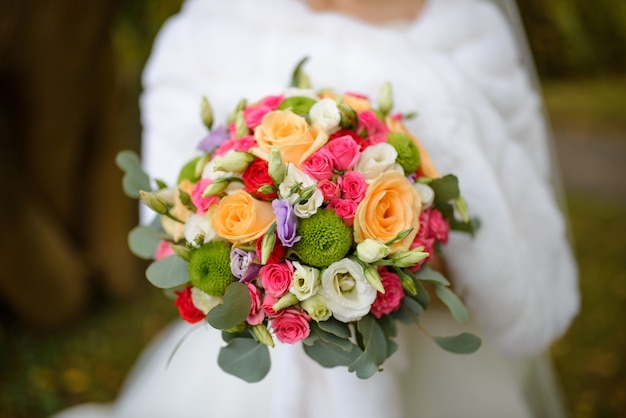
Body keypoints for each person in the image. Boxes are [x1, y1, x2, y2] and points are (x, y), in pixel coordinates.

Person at [52, 0, 579, 417]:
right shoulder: (205, 30)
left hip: (434, 352)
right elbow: (173, 219)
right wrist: (272, 278)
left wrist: (404, 259)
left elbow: (524, 214)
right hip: (256, 372)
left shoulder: (469, 25)